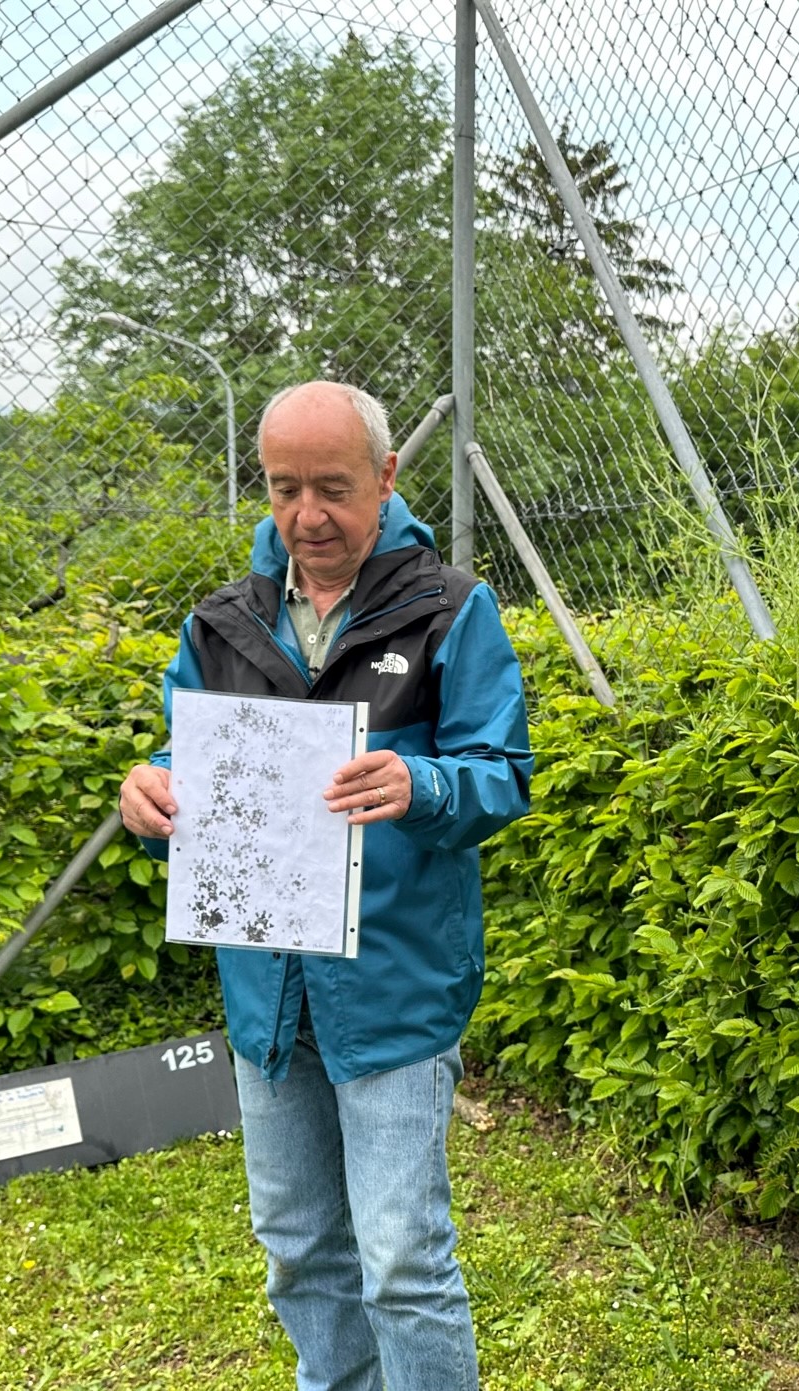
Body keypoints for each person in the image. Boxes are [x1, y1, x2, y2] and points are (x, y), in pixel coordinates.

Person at [118, 380, 532, 1391]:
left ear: (387, 477)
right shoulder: (219, 626)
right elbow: (182, 764)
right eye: (283, 487)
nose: (308, 516)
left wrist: (421, 780)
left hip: (394, 989)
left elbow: (501, 772)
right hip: (267, 992)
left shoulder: (449, 609)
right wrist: (149, 795)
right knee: (298, 1244)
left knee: (400, 1260)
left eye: (333, 488)